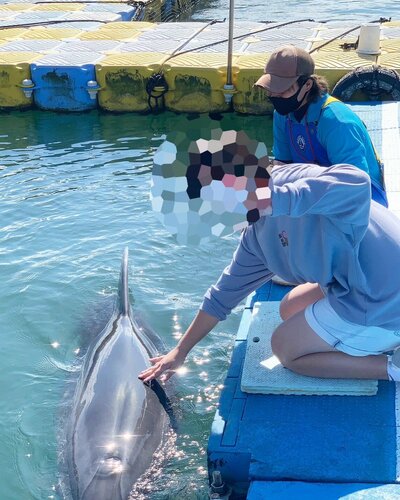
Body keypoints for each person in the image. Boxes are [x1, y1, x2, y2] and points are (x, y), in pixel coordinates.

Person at [139, 162, 400, 384]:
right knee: (288, 308)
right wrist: (181, 351)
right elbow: (222, 296)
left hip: (382, 301)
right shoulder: (256, 238)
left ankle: (392, 368)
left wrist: (270, 200)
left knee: (285, 349)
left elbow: (356, 181)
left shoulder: (291, 180)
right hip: (360, 282)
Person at [254, 44, 388, 208]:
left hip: (362, 201)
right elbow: (283, 166)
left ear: (307, 85)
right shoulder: (282, 115)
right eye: (270, 88)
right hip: (313, 194)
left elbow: (356, 186)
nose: (274, 95)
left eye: (282, 89)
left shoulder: (337, 121)